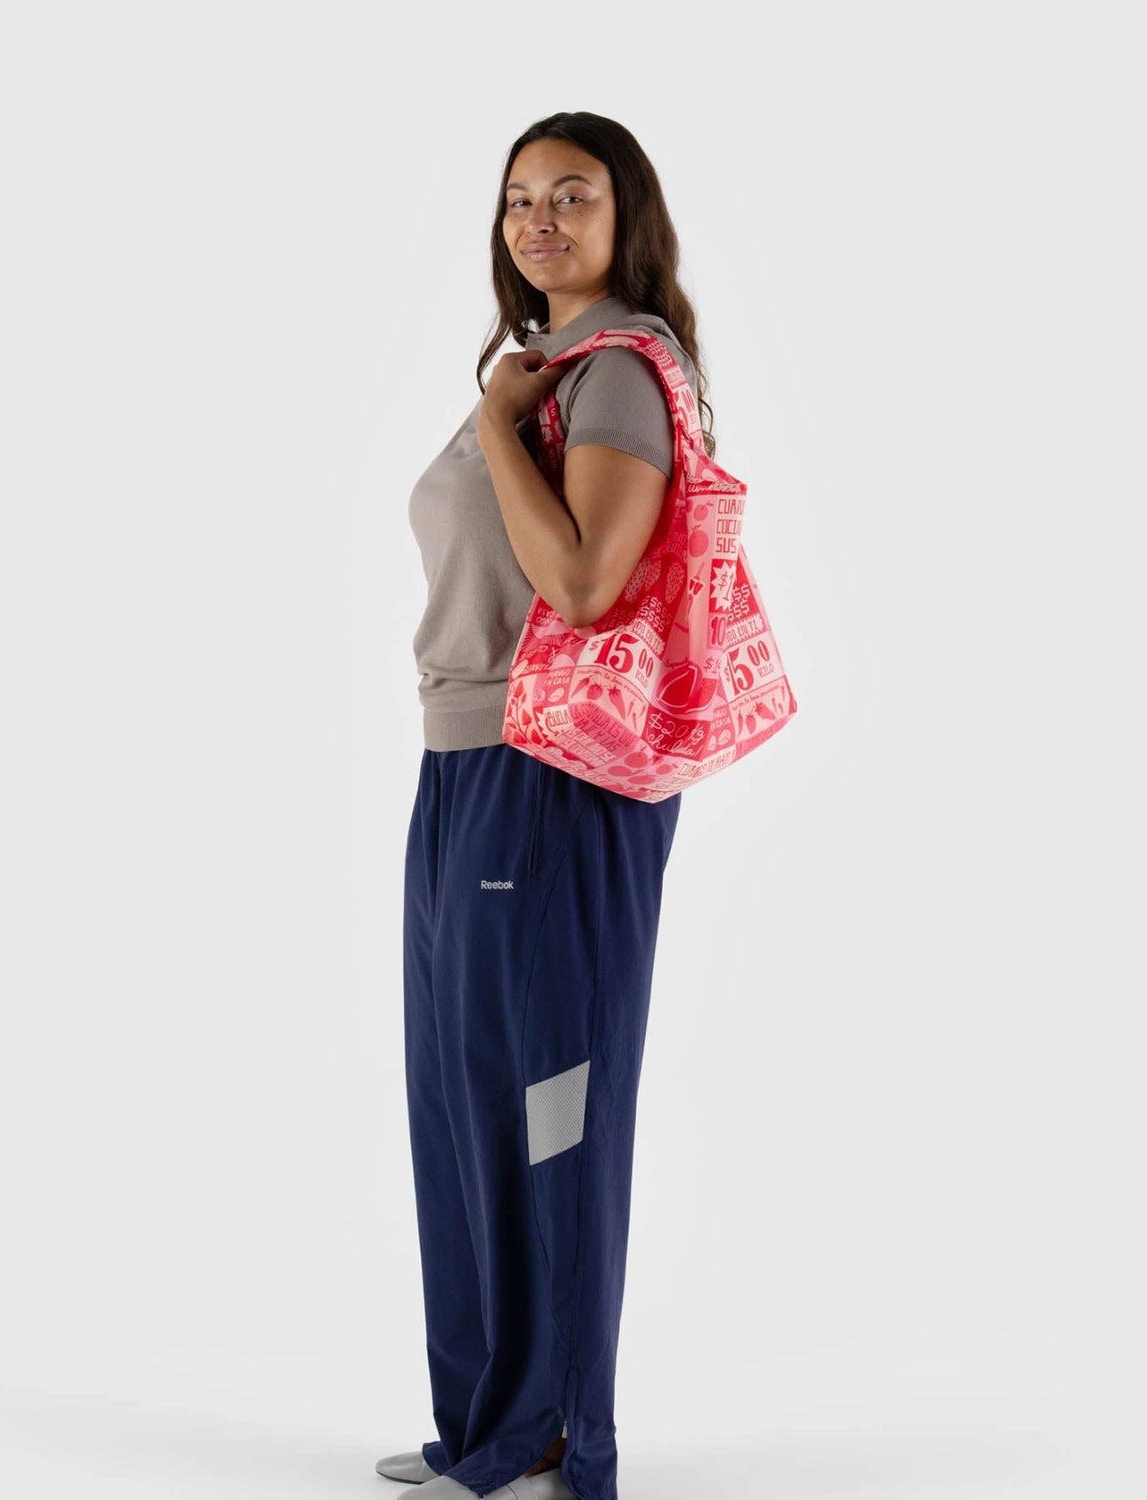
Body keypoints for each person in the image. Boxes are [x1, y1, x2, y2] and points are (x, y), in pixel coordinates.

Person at [382, 111, 717, 1500]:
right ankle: (486, 1422)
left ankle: (563, 1430)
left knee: (552, 1105)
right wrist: (506, 410)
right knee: (463, 1099)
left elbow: (580, 586)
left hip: (554, 780)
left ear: (624, 217)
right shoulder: (547, 373)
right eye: (520, 197)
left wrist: (490, 428)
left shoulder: (621, 373)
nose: (539, 221)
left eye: (572, 196)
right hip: (465, 766)